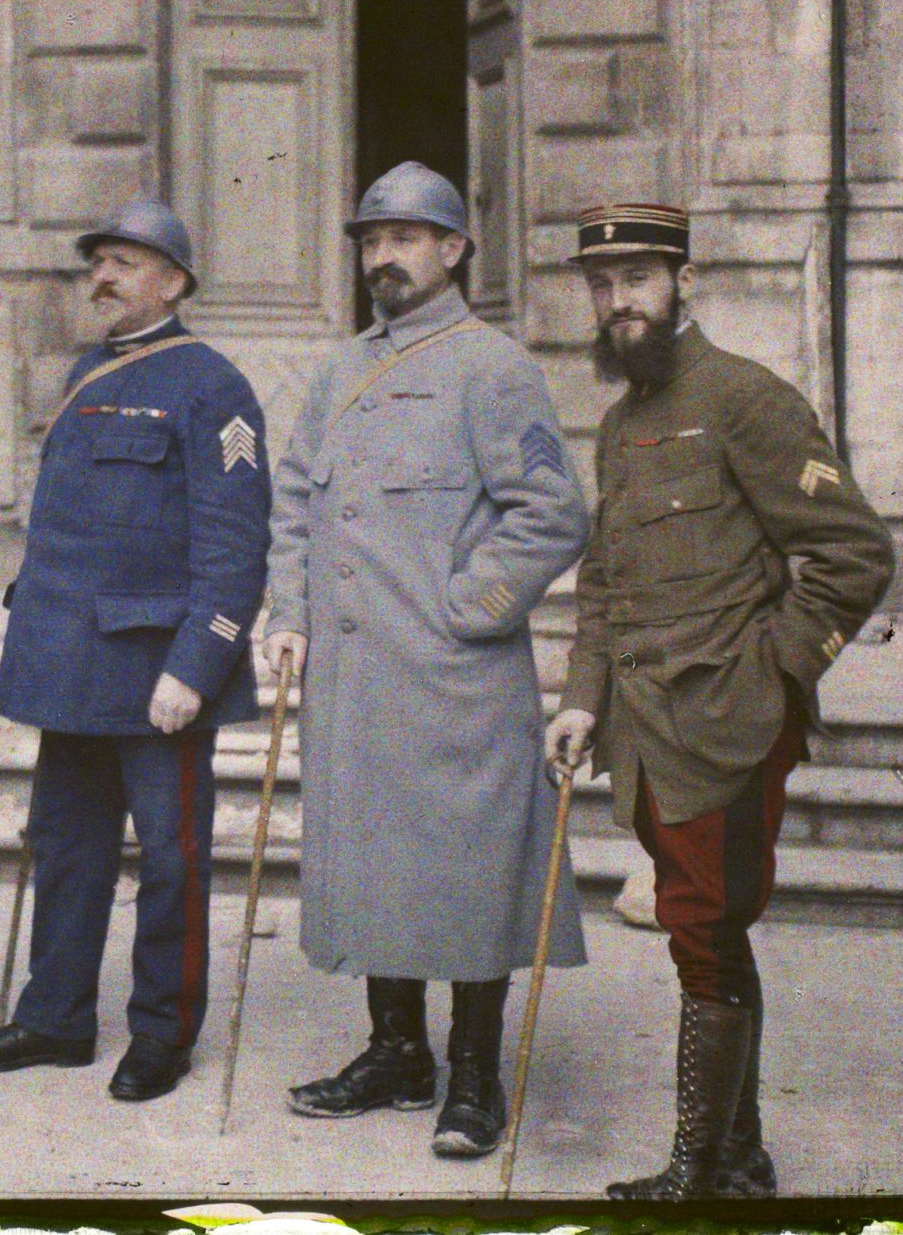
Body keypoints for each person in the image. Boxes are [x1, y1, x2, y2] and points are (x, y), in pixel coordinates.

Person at [545, 204, 895, 1198]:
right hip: (648, 733)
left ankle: (701, 1169)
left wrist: (776, 673)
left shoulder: (744, 398)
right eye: (600, 283)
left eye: (638, 278)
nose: (617, 301)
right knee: (702, 927)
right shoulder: (618, 426)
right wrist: (579, 698)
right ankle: (733, 1160)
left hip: (729, 723)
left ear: (682, 282)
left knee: (702, 925)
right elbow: (605, 582)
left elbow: (851, 553)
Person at [263, 161, 591, 1159]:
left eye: (403, 238)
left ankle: (475, 1077)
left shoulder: (491, 365)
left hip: (454, 675)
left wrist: (468, 607)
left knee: (470, 871)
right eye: (369, 240)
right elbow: (291, 501)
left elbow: (551, 509)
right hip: (352, 682)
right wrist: (289, 609)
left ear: (451, 250)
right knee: (370, 864)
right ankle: (396, 1053)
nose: (381, 257)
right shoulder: (336, 371)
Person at [0, 197, 270, 1103]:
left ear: (173, 280)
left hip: (155, 670)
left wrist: (196, 666)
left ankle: (163, 1032)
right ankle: (55, 1018)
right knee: (64, 845)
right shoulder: (86, 371)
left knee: (172, 859)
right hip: (72, 664)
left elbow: (234, 544)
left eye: (125, 262)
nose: (102, 276)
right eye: (98, 261)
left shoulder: (213, 385)